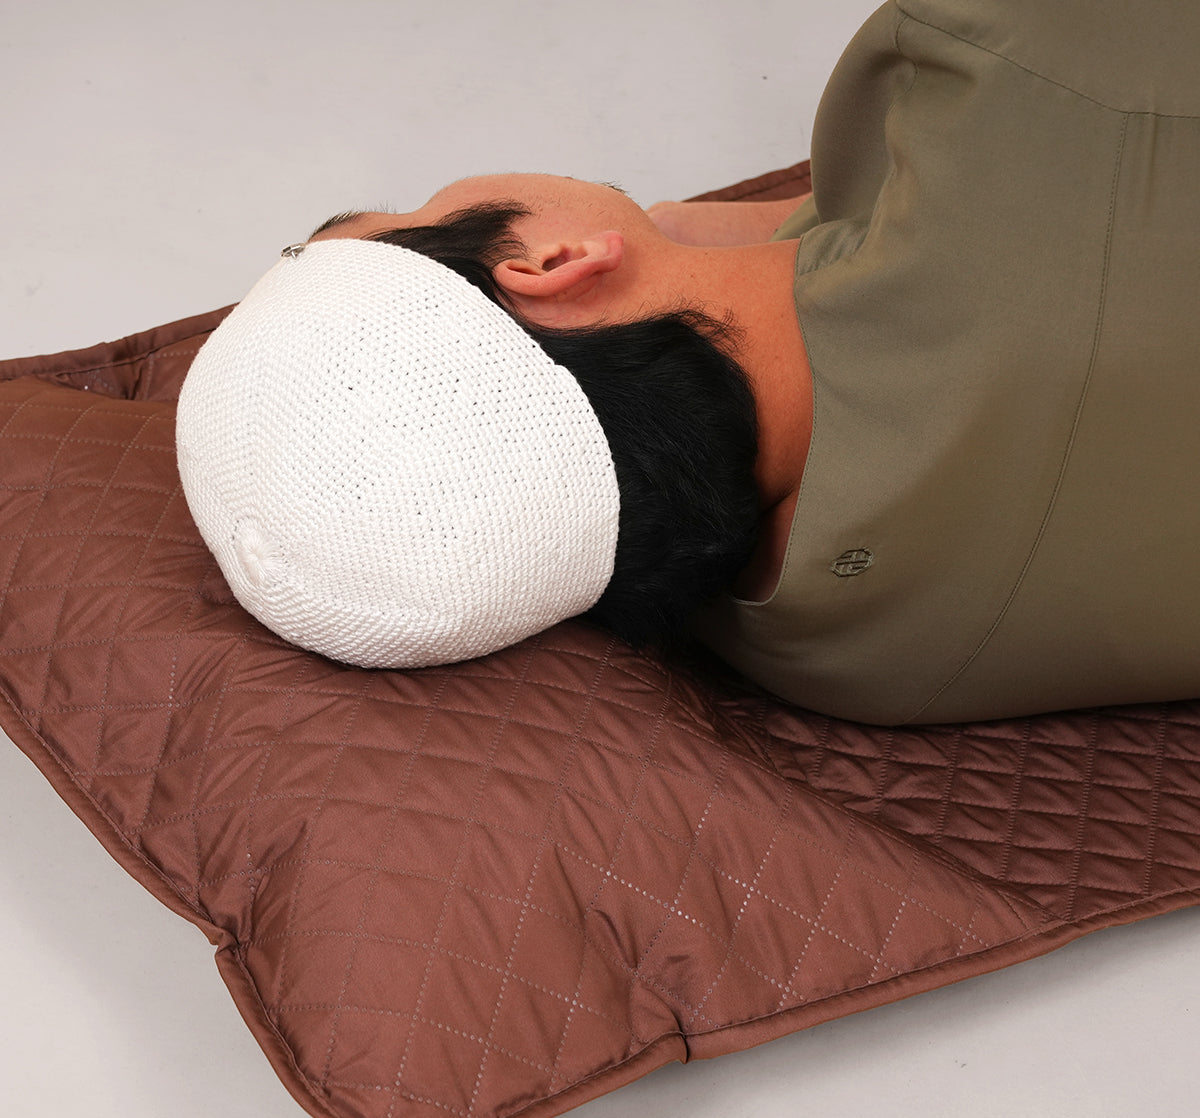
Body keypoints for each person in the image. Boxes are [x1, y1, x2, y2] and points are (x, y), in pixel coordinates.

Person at [178, 0, 1200, 725]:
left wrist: (772, 236)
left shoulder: (845, 669)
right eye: (411, 208)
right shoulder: (1020, 58)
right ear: (550, 264)